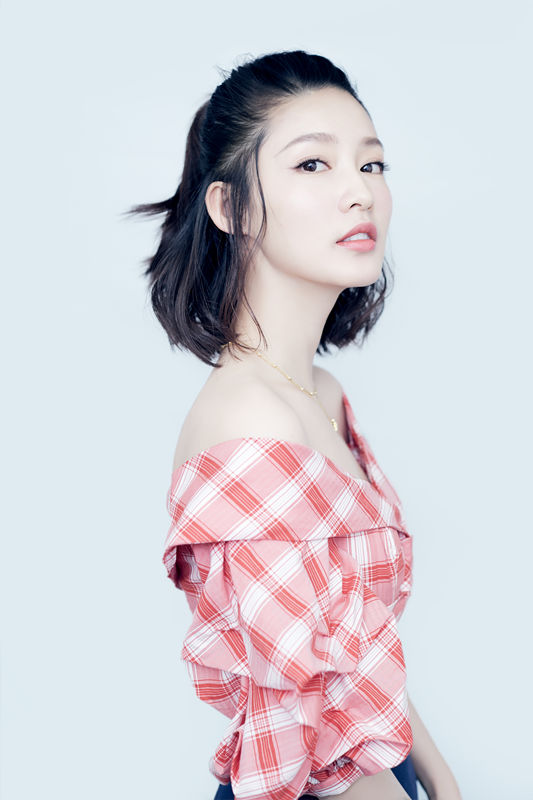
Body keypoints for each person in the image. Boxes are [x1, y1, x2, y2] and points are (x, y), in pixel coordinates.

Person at [131, 50, 462, 800]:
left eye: (371, 165)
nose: (360, 192)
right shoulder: (251, 420)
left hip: (380, 769)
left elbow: (355, 647)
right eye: (313, 165)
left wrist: (440, 780)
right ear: (230, 208)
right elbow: (301, 731)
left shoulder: (320, 392)